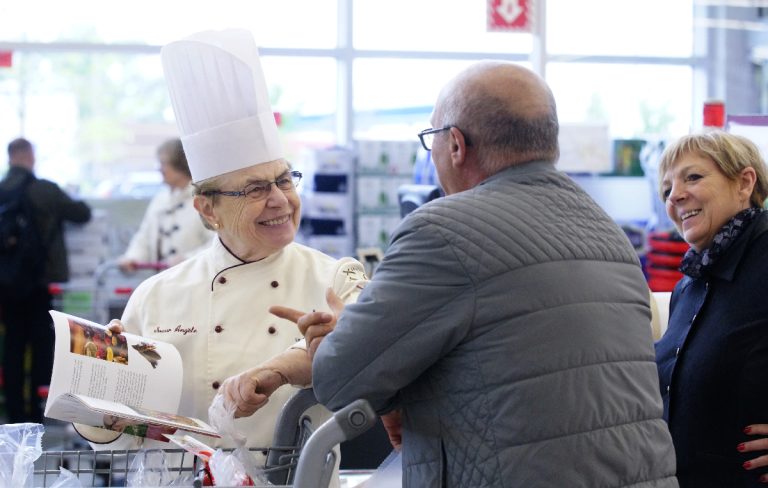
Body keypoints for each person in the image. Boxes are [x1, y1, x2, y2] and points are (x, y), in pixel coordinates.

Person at [253, 61, 679, 487]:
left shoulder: (441, 230)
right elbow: (507, 355)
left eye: (431, 139)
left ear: (455, 144)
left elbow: (341, 379)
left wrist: (342, 337)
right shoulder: (606, 230)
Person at [73, 29, 367, 464]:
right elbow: (116, 437)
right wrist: (103, 379)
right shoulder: (156, 296)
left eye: (284, 179)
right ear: (207, 210)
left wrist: (336, 349)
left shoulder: (337, 279)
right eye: (254, 189)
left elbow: (377, 378)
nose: (280, 199)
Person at [654, 130, 768, 487]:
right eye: (667, 189)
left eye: (693, 177)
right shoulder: (688, 285)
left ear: (744, 183)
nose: (676, 196)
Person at [0, 137, 91, 423]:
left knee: (12, 346)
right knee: (42, 345)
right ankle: (39, 414)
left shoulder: (1, 190)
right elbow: (82, 213)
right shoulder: (45, 190)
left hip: (6, 285)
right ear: (30, 156)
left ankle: (13, 416)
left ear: (10, 156)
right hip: (40, 283)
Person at [118, 138, 213, 272]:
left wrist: (187, 259)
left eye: (163, 163)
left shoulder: (204, 199)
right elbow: (144, 237)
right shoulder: (160, 200)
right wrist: (132, 257)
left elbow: (216, 244)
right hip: (163, 282)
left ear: (180, 164)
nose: (159, 169)